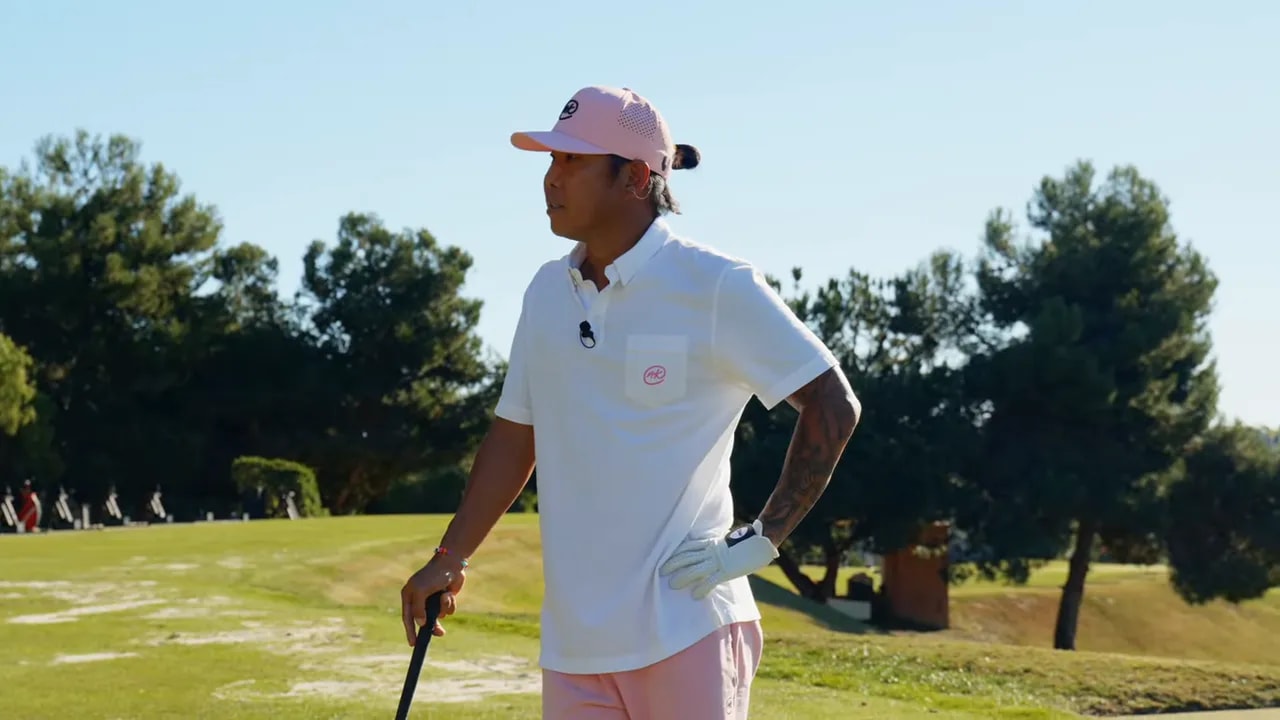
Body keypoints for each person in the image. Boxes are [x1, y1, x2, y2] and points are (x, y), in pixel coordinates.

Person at [400, 85, 861, 719]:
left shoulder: (716, 284)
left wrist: (762, 538)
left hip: (687, 629)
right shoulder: (545, 292)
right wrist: (450, 557)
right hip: (575, 648)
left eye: (573, 161)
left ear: (636, 178)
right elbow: (514, 438)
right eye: (551, 160)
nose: (551, 178)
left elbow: (832, 403)